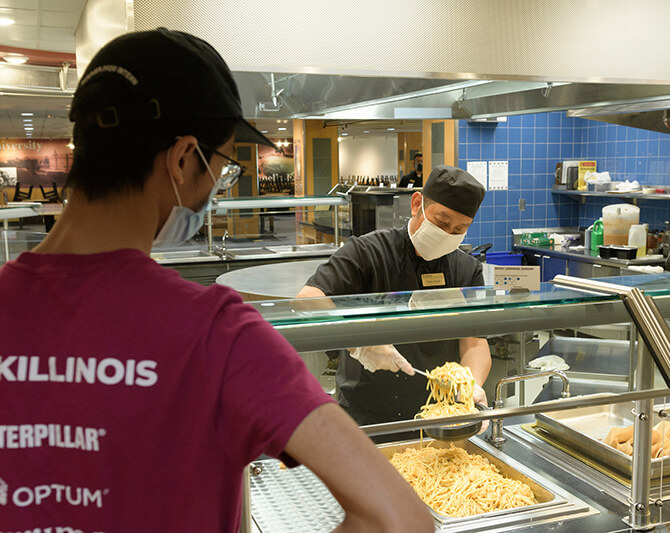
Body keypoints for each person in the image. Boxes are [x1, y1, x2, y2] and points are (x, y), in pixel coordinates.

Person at [0, 28, 432, 533]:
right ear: (184, 160)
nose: (217, 188)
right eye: (222, 167)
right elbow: (396, 519)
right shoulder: (217, 335)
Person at [297, 165, 491, 427]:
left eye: (459, 230)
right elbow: (308, 297)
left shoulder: (467, 269)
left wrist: (472, 386)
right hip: (365, 414)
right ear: (416, 204)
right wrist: (359, 341)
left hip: (436, 416)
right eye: (442, 222)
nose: (447, 234)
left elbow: (475, 343)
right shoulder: (368, 252)